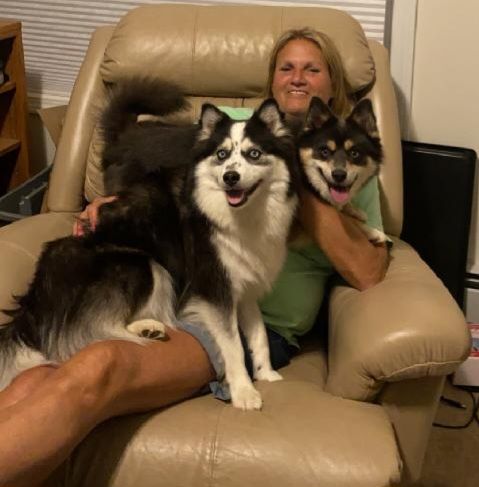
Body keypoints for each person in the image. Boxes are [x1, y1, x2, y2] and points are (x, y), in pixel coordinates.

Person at [0, 28, 389, 486]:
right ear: (271, 82)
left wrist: (299, 176)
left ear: (334, 85)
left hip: (250, 323)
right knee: (32, 379)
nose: (298, 78)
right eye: (287, 68)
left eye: (312, 69)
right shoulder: (237, 125)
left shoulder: (348, 161)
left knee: (99, 368)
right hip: (185, 286)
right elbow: (172, 179)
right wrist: (111, 202)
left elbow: (367, 270)